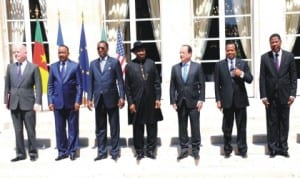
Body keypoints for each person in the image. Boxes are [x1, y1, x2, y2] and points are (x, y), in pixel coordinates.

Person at [259, 33, 297, 158]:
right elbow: (262, 78)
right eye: (272, 42)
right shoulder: (265, 58)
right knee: (272, 123)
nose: (274, 44)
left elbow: (293, 77)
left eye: (276, 42)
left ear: (280, 42)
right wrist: (263, 96)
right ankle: (273, 148)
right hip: (270, 98)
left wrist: (292, 95)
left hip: (285, 96)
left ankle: (284, 148)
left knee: (284, 123)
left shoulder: (289, 57)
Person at [214, 41, 253, 158]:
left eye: (232, 50)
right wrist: (218, 100)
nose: (230, 52)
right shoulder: (219, 65)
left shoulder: (243, 63)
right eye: (228, 50)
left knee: (241, 127)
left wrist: (241, 73)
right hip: (226, 100)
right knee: (227, 127)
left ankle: (242, 149)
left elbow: (250, 79)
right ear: (225, 51)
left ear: (236, 51)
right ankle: (227, 149)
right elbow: (217, 84)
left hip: (240, 100)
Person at [87, 41, 125, 161]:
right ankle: (102, 152)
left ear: (107, 49)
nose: (100, 50)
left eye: (102, 48)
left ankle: (114, 152)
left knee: (114, 127)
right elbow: (90, 83)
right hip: (99, 100)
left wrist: (122, 97)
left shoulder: (114, 62)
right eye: (98, 48)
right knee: (100, 128)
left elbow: (120, 80)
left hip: (112, 99)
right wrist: (89, 98)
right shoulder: (93, 64)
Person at [125, 41, 163, 161]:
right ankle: (140, 151)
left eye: (143, 50)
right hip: (136, 101)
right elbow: (127, 87)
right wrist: (130, 102)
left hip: (151, 100)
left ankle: (151, 151)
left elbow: (157, 82)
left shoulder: (151, 63)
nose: (141, 52)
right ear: (135, 53)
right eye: (139, 51)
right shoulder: (129, 66)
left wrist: (158, 98)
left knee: (152, 126)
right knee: (138, 127)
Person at [4, 44, 42, 162]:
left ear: (25, 53)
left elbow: (39, 87)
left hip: (29, 103)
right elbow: (7, 86)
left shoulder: (34, 67)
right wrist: (7, 101)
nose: (16, 54)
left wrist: (38, 102)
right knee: (18, 130)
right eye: (14, 52)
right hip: (14, 104)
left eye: (18, 52)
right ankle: (20, 153)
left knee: (30, 130)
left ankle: (32, 152)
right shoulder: (10, 67)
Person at [169, 44, 205, 160]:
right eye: (180, 52)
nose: (181, 55)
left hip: (194, 102)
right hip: (180, 103)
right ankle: (184, 150)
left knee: (195, 126)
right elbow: (172, 86)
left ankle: (195, 150)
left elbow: (202, 85)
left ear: (189, 54)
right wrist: (173, 101)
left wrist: (201, 99)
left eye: (183, 53)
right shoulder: (175, 68)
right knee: (182, 127)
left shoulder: (197, 67)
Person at [47, 45, 83, 161]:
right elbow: (50, 86)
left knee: (73, 128)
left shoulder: (75, 66)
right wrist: (50, 101)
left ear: (68, 53)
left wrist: (78, 101)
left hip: (72, 103)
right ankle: (62, 151)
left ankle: (72, 151)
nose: (61, 55)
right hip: (57, 103)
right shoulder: (53, 67)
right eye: (59, 53)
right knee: (59, 129)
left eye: (63, 52)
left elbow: (79, 85)